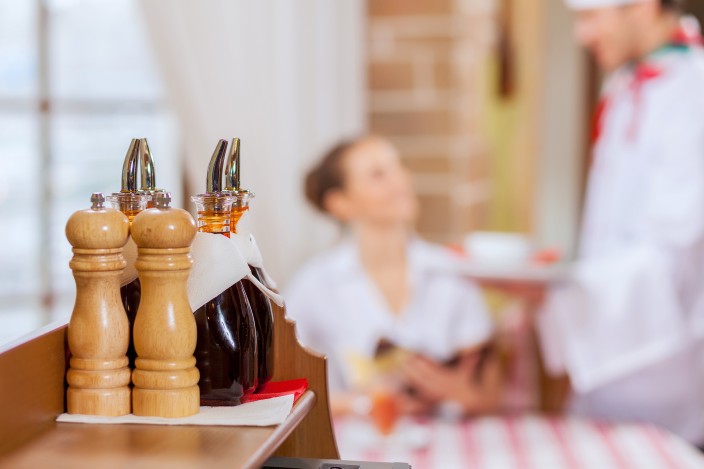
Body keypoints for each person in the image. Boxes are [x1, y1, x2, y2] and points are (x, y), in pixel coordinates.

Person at [537, 0, 704, 444]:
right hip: (604, 369)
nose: (581, 36)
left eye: (590, 17)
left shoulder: (695, 94)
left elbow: (674, 247)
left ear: (644, 7)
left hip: (669, 376)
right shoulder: (625, 83)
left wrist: (561, 289)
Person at [284, 135, 502, 417]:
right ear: (340, 203)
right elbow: (280, 389)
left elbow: (491, 394)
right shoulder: (314, 285)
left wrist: (456, 391)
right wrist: (364, 404)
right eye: (378, 174)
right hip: (354, 451)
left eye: (399, 167)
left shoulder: (452, 273)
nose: (400, 181)